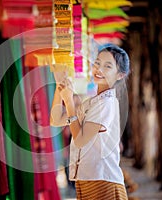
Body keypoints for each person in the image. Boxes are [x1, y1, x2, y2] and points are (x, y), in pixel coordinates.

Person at [50, 43, 130, 199]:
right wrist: (60, 85)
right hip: (88, 180)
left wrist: (69, 101)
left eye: (107, 66)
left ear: (119, 75)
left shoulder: (107, 104)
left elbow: (80, 140)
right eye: (97, 63)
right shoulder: (91, 103)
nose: (99, 69)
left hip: (103, 182)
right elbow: (56, 120)